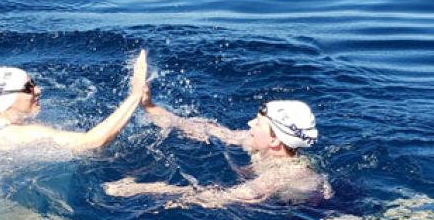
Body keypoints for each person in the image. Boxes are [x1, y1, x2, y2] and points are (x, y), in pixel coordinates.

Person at [104, 89, 332, 207]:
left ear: (274, 140)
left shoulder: (282, 174)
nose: (250, 124)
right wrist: (149, 106)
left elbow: (219, 199)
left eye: (258, 123)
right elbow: (208, 129)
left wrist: (145, 189)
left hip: (324, 214)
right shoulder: (256, 143)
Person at [0, 50, 149, 152]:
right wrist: (135, 95)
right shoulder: (20, 134)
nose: (38, 90)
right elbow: (92, 141)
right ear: (7, 100)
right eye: (28, 88)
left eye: (33, 83)